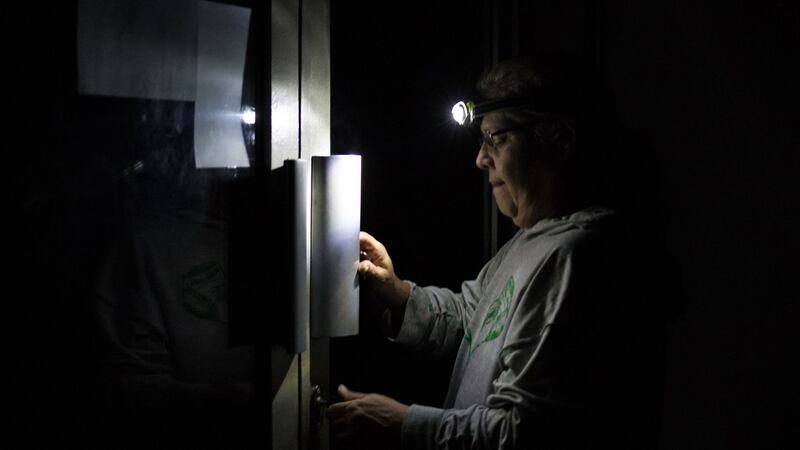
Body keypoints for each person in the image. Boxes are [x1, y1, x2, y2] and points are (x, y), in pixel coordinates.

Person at [327, 54, 671, 450]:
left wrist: (404, 424)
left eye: (498, 139)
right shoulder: (533, 239)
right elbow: (471, 319)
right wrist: (398, 292)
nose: (480, 159)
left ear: (558, 139)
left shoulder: (580, 259)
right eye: (482, 140)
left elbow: (524, 434)